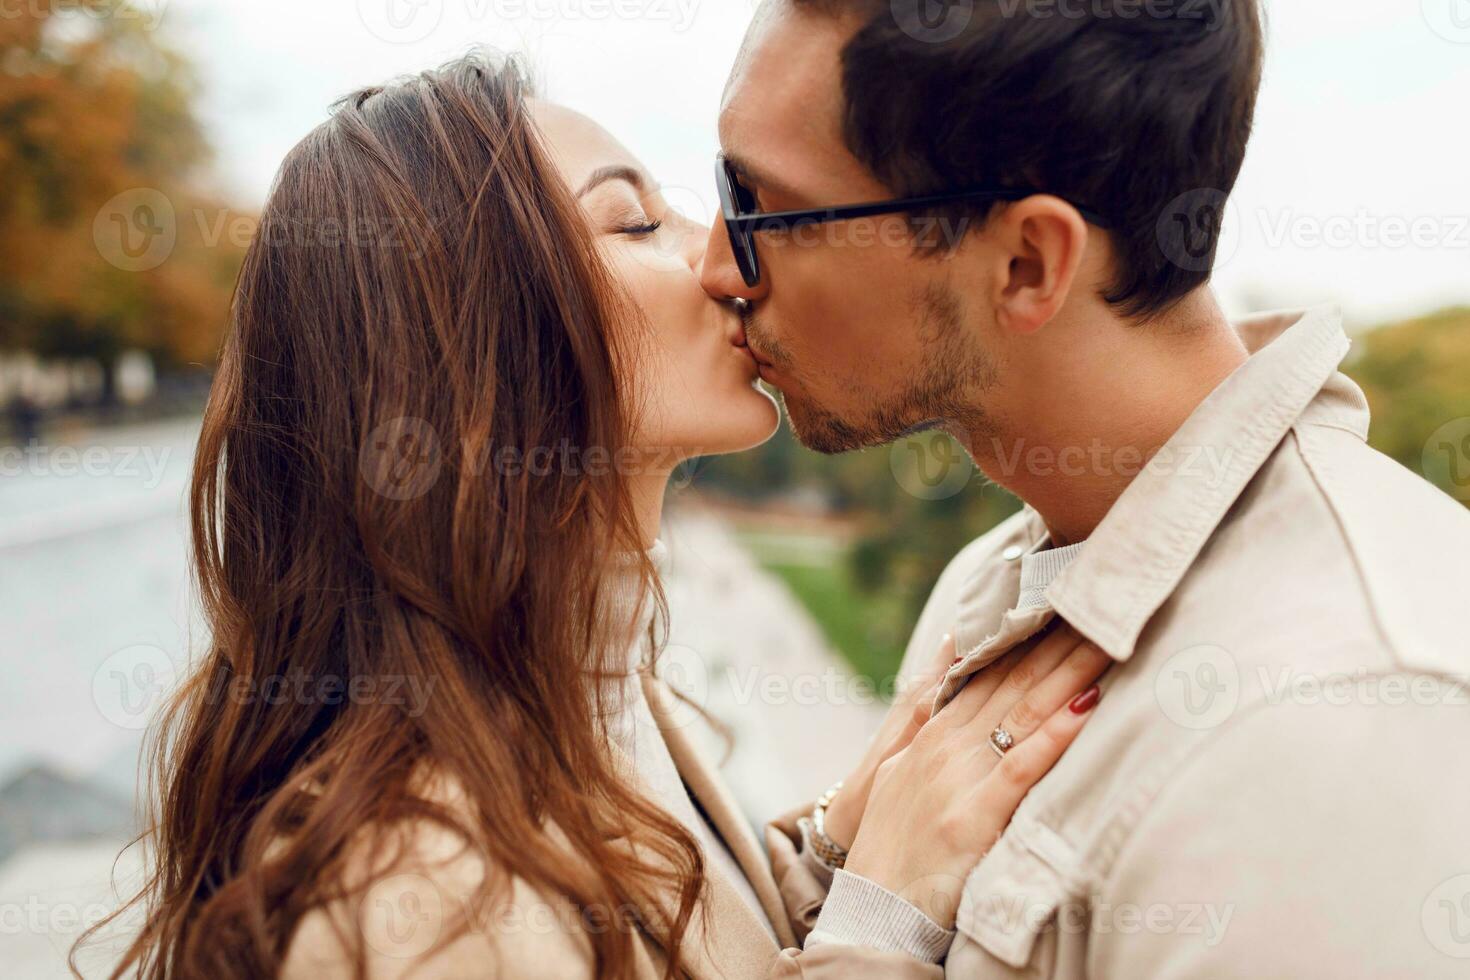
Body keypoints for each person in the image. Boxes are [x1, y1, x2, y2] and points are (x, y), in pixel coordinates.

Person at [82, 55, 1111, 980]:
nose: (725, 261)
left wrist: (842, 847)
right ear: (474, 341)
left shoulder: (596, 700)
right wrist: (883, 921)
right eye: (635, 222)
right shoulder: (410, 903)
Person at [700, 1, 1470, 976]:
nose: (716, 263)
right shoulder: (993, 585)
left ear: (1027, 263)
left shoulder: (1344, 718)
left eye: (763, 207)